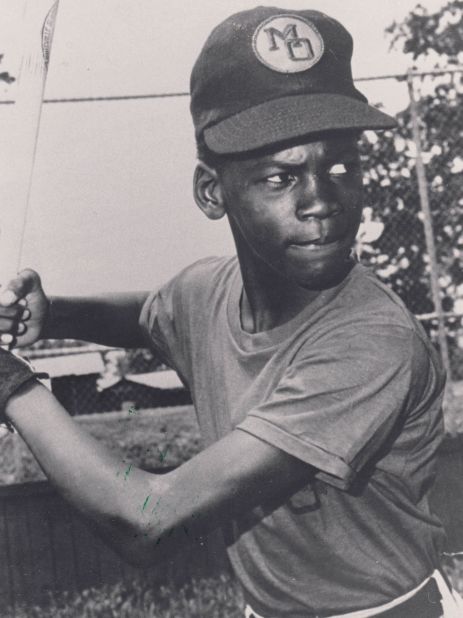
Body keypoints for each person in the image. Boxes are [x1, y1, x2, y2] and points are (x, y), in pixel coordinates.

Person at [0, 6, 461, 617]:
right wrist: (53, 313)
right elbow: (149, 315)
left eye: (341, 165)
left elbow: (148, 521)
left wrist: (15, 387)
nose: (320, 200)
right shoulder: (206, 293)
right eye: (279, 177)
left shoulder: (372, 340)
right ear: (211, 192)